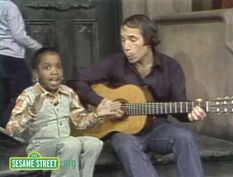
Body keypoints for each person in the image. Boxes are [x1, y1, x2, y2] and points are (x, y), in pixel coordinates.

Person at [69, 14, 207, 177]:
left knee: (184, 137)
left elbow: (179, 107)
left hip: (158, 127)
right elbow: (77, 81)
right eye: (123, 40)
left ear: (148, 40)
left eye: (132, 39)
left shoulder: (171, 67)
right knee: (126, 145)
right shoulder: (114, 63)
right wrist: (101, 103)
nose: (126, 46)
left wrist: (191, 114)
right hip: (124, 132)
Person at [5, 47, 120, 177]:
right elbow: (11, 130)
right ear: (36, 74)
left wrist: (97, 114)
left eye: (58, 67)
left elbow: (80, 122)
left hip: (66, 147)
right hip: (38, 152)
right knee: (71, 143)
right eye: (47, 68)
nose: (54, 72)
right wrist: (31, 113)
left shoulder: (68, 93)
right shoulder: (28, 95)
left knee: (93, 143)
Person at [0, 0, 42, 127]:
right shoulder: (9, 6)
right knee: (24, 95)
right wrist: (39, 48)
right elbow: (19, 35)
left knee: (3, 97)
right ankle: (8, 129)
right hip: (11, 57)